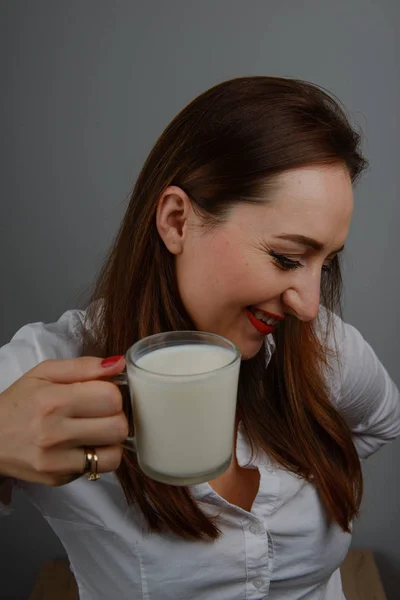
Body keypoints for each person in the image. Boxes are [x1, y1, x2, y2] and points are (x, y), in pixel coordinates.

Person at [1, 76, 399, 600]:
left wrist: (320, 457)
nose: (307, 304)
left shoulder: (324, 351)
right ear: (176, 220)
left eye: (324, 265)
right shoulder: (45, 367)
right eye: (286, 257)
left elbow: (379, 424)